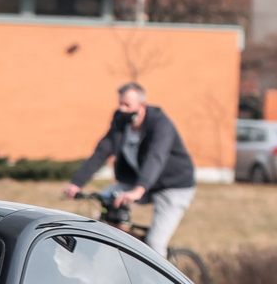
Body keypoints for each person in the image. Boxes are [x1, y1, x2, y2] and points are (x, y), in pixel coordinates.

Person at [62, 81, 195, 255]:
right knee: (106, 204)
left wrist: (138, 190)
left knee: (155, 243)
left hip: (173, 186)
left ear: (142, 107)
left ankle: (158, 279)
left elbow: (155, 158)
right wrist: (77, 183)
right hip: (137, 182)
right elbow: (102, 151)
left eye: (127, 105)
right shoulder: (120, 121)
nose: (122, 109)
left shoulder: (161, 125)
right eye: (120, 104)